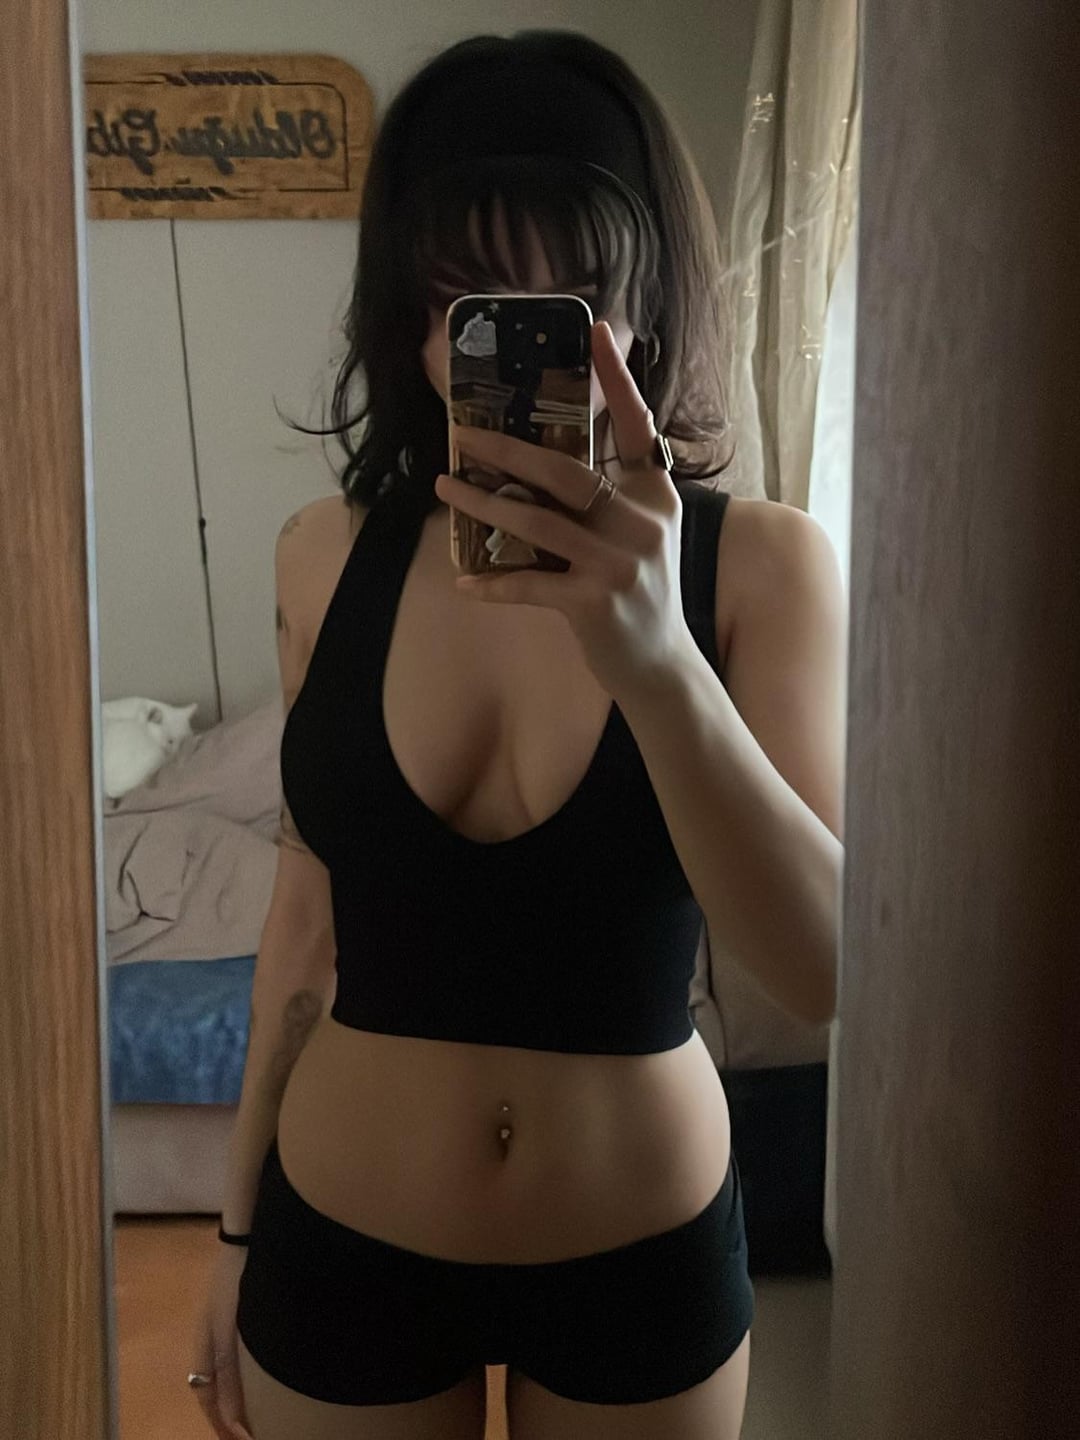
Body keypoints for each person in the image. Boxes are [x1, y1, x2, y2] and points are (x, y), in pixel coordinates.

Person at [189, 28, 846, 1440]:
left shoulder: (763, 568)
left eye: (573, 302)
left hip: (641, 1250)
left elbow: (818, 967)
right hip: (343, 1237)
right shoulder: (322, 556)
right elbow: (303, 925)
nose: (507, 349)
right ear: (408, 322)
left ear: (643, 312)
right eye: (458, 301)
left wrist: (659, 665)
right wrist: (234, 1233)